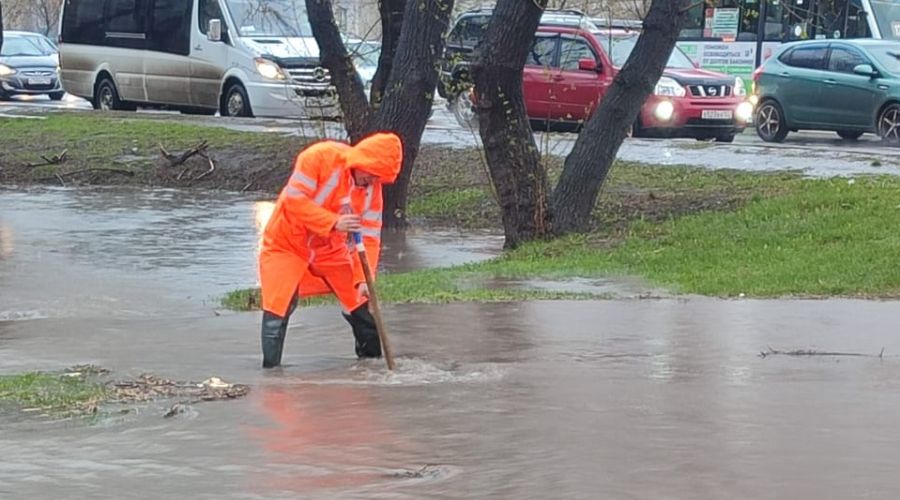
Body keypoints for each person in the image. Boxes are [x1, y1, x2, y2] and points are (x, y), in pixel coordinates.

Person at [258, 132, 402, 368]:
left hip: (329, 250)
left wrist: (364, 279)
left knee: (363, 311)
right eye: (372, 175)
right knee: (278, 308)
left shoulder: (371, 190)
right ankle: (271, 376)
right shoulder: (318, 158)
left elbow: (370, 237)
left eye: (379, 179)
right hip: (286, 244)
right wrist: (333, 222)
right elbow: (293, 200)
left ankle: (370, 371)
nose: (372, 182)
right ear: (361, 161)